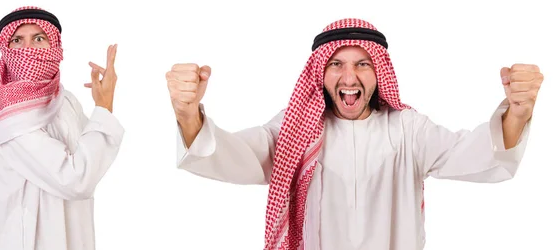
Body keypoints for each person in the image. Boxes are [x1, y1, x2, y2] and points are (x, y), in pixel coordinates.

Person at [167, 18, 543, 250]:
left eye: (363, 64)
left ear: (378, 72)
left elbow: (475, 152)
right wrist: (187, 114)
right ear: (320, 72)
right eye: (337, 64)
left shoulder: (407, 129)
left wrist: (519, 111)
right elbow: (235, 155)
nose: (349, 78)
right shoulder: (295, 128)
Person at [0, 6, 125, 250]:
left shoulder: (64, 100)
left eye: (39, 38)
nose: (29, 49)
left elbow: (95, 156)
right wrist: (104, 106)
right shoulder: (10, 120)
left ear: (54, 45)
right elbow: (77, 178)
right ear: (6, 50)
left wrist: (102, 108)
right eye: (17, 40)